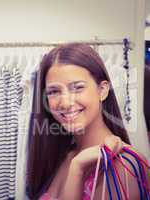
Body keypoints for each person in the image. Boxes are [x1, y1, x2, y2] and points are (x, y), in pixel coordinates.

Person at [27, 43, 149, 199]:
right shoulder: (63, 155)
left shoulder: (124, 165)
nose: (64, 103)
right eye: (54, 91)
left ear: (102, 90)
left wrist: (77, 169)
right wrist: (77, 167)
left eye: (77, 88)